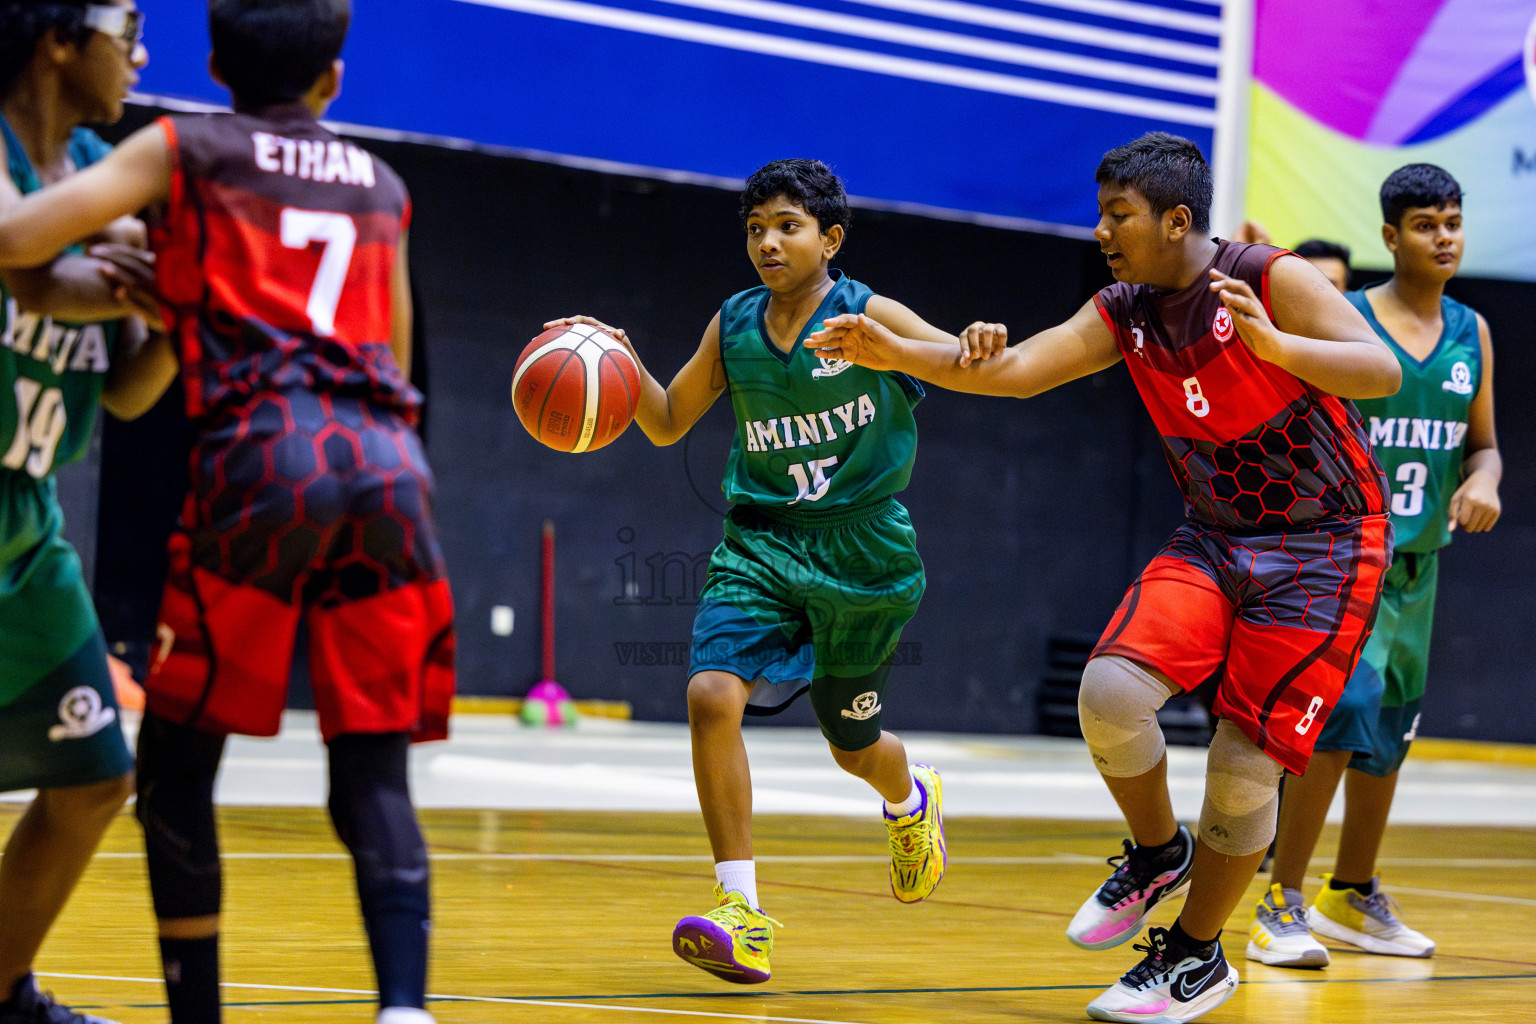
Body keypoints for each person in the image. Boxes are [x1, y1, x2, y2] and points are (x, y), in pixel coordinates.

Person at [807, 131, 1401, 1024]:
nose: (1100, 231)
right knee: (1110, 692)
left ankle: (1198, 957)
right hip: (1217, 534)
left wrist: (1278, 349)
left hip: (1326, 544)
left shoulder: (1267, 276)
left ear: (1176, 218)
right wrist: (892, 350)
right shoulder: (1124, 309)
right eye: (1101, 213)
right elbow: (1012, 373)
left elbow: (1383, 370)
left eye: (1117, 214)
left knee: (1244, 763)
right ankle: (1160, 853)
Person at [0, 3, 456, 1023]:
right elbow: (391, 353)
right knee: (372, 764)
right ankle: (405, 1006)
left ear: (211, 65)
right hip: (389, 468)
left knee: (171, 769)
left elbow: (18, 244)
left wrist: (137, 282)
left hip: (265, 459)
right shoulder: (384, 183)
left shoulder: (184, 147)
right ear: (333, 80)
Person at [545, 158, 957, 985]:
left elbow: (955, 363)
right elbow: (665, 424)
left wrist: (951, 345)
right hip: (761, 544)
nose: (768, 242)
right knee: (708, 693)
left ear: (829, 238)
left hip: (863, 552)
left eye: (787, 226)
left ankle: (910, 796)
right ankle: (742, 910)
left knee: (851, 742)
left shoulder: (863, 311)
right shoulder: (732, 324)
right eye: (755, 228)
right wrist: (615, 364)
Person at [1247, 164, 1500, 969]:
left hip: (1421, 566)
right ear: (1391, 236)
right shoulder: (1349, 319)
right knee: (1339, 717)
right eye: (1427, 224)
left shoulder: (1473, 332)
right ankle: (1279, 900)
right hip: (1347, 556)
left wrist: (1485, 480)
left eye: (1454, 222)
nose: (1445, 237)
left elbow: (1483, 446)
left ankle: (1350, 892)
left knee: (1388, 731)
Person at [0, 3, 157, 1021]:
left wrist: (184, 312)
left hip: (28, 519)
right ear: (59, 36)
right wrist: (108, 276)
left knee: (96, 779)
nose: (140, 58)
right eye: (127, 30)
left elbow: (134, 387)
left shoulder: (100, 167)